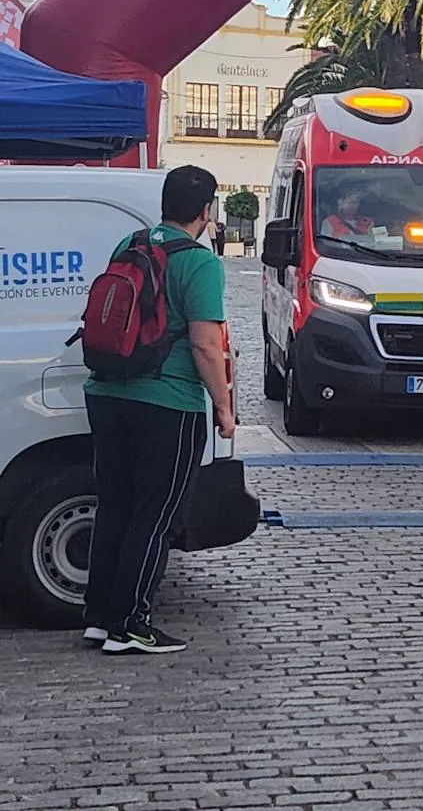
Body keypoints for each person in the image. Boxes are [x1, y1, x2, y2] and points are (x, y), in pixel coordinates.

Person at [84, 166, 234, 656]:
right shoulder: (201, 262)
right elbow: (206, 345)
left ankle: (101, 617)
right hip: (167, 403)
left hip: (106, 393)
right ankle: (132, 624)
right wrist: (225, 408)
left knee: (116, 505)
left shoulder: (131, 243)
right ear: (206, 211)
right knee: (156, 514)